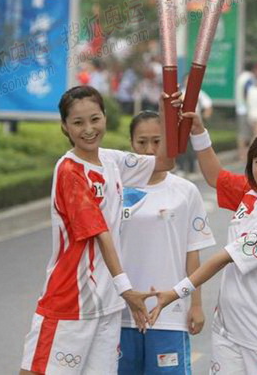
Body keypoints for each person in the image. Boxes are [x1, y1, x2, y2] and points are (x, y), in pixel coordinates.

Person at [19, 86, 175, 375]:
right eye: (78, 123)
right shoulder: (69, 171)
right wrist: (126, 289)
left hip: (107, 304)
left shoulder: (112, 160)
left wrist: (166, 110)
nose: (88, 129)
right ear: (64, 127)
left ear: (105, 117)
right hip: (69, 302)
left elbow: (165, 161)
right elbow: (99, 233)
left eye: (95, 119)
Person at [150, 113, 257, 375]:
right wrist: (198, 131)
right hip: (229, 331)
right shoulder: (253, 192)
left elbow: (222, 258)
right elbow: (215, 177)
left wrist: (175, 292)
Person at [118, 110, 216, 374]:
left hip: (168, 315)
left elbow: (192, 255)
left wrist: (195, 305)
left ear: (169, 142)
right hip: (120, 313)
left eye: (157, 141)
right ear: (131, 144)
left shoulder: (185, 191)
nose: (149, 150)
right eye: (141, 142)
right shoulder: (115, 189)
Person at [235, 63, 256, 160]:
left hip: (239, 107)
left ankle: (241, 153)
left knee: (241, 132)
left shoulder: (240, 77)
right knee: (248, 133)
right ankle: (245, 155)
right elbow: (248, 92)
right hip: (246, 108)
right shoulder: (249, 78)